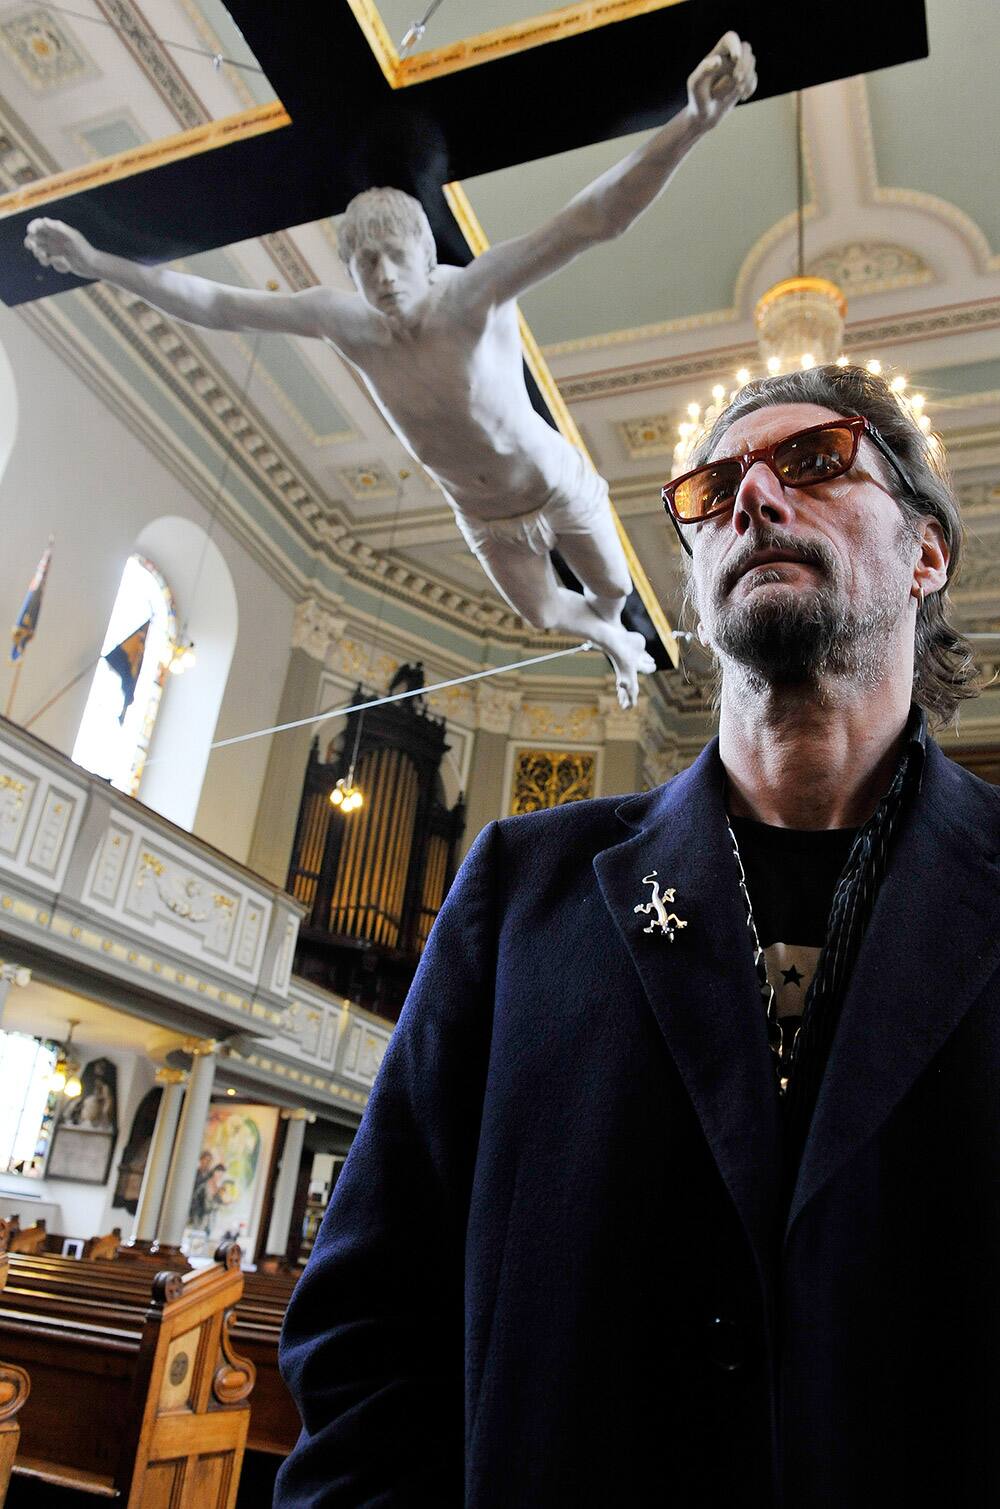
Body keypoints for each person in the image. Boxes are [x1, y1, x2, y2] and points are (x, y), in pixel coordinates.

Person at [273, 363, 1000, 1507]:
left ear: (925, 552)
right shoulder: (522, 888)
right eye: (713, 491)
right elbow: (368, 1316)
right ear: (699, 584)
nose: (752, 497)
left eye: (814, 461)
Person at [24, 33, 756, 709]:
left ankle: (613, 628)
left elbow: (595, 217)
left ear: (421, 252)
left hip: (553, 484)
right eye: (361, 264)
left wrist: (690, 122)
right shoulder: (348, 323)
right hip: (481, 515)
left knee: (612, 587)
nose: (378, 277)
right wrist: (97, 264)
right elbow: (216, 303)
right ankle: (609, 637)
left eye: (391, 258)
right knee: (542, 611)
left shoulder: (471, 295)